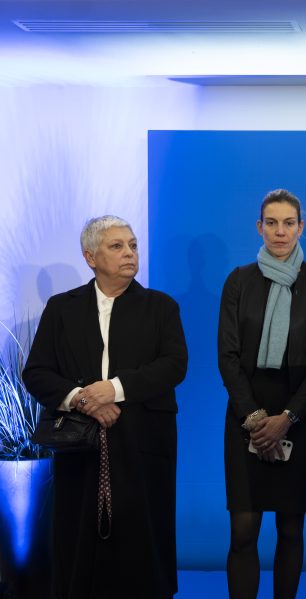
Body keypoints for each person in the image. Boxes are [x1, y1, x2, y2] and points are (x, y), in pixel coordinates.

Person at [23, 215, 188, 599]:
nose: (129, 253)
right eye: (117, 246)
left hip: (143, 441)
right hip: (80, 444)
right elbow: (37, 372)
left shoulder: (161, 307)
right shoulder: (62, 308)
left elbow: (174, 365)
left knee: (143, 540)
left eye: (133, 245)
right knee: (79, 540)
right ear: (90, 257)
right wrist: (84, 400)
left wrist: (112, 390)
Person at [217, 188, 306, 599]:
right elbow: (227, 356)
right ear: (259, 227)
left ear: (301, 227)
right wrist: (255, 420)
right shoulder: (238, 281)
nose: (280, 231)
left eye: (289, 223)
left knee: (290, 529)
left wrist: (286, 419)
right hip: (246, 415)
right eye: (271, 223)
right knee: (243, 530)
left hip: (299, 416)